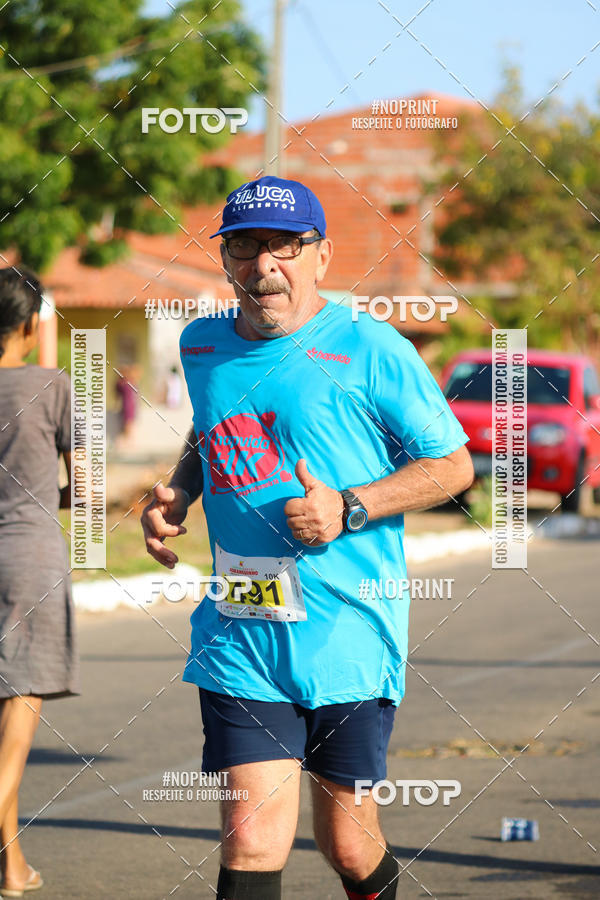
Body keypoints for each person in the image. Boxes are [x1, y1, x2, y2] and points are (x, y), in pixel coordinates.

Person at [141, 175, 473, 900]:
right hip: (242, 630)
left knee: (347, 844)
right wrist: (182, 490)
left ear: (321, 256)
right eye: (245, 247)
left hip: (347, 633)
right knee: (253, 838)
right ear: (225, 259)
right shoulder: (202, 344)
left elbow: (453, 466)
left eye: (285, 246)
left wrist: (350, 506)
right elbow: (214, 426)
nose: (264, 265)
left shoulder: (369, 347)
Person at [0, 268, 79, 897]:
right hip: (30, 558)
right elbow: (88, 488)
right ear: (31, 325)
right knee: (20, 705)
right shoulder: (53, 386)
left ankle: (12, 866)